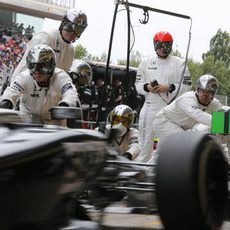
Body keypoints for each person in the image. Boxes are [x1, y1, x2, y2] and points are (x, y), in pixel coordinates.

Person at [135, 31, 192, 162]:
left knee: (165, 150)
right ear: (155, 45)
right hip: (149, 108)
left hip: (169, 110)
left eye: (166, 45)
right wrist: (147, 87)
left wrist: (169, 87)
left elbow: (187, 86)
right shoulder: (145, 62)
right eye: (160, 45)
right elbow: (137, 84)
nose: (163, 49)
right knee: (144, 150)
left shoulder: (180, 64)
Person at [0, 44, 78, 127]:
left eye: (41, 66)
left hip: (55, 124)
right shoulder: (24, 77)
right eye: (32, 66)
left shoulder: (61, 76)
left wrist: (65, 105)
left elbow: (70, 93)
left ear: (51, 65)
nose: (37, 71)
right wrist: (6, 101)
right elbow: (12, 91)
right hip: (28, 122)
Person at [10, 8, 88, 83]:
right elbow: (26, 65)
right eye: (71, 28)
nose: (73, 33)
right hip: (25, 86)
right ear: (64, 24)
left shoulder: (71, 50)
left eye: (79, 30)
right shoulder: (46, 36)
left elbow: (61, 76)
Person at [152, 74, 224, 152]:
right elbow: (198, 115)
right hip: (164, 122)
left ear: (213, 94)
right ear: (198, 90)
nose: (204, 95)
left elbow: (221, 128)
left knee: (161, 154)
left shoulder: (215, 104)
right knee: (184, 145)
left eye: (208, 92)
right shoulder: (188, 98)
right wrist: (222, 124)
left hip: (181, 127)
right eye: (202, 91)